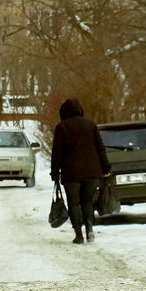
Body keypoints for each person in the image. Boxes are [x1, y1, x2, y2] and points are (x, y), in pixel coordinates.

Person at [49, 97, 111, 244]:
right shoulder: (91, 125)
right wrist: (106, 166)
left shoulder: (62, 127)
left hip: (71, 173)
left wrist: (54, 172)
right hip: (91, 172)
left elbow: (57, 153)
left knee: (74, 203)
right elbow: (100, 148)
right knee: (87, 202)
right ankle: (89, 229)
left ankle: (78, 235)